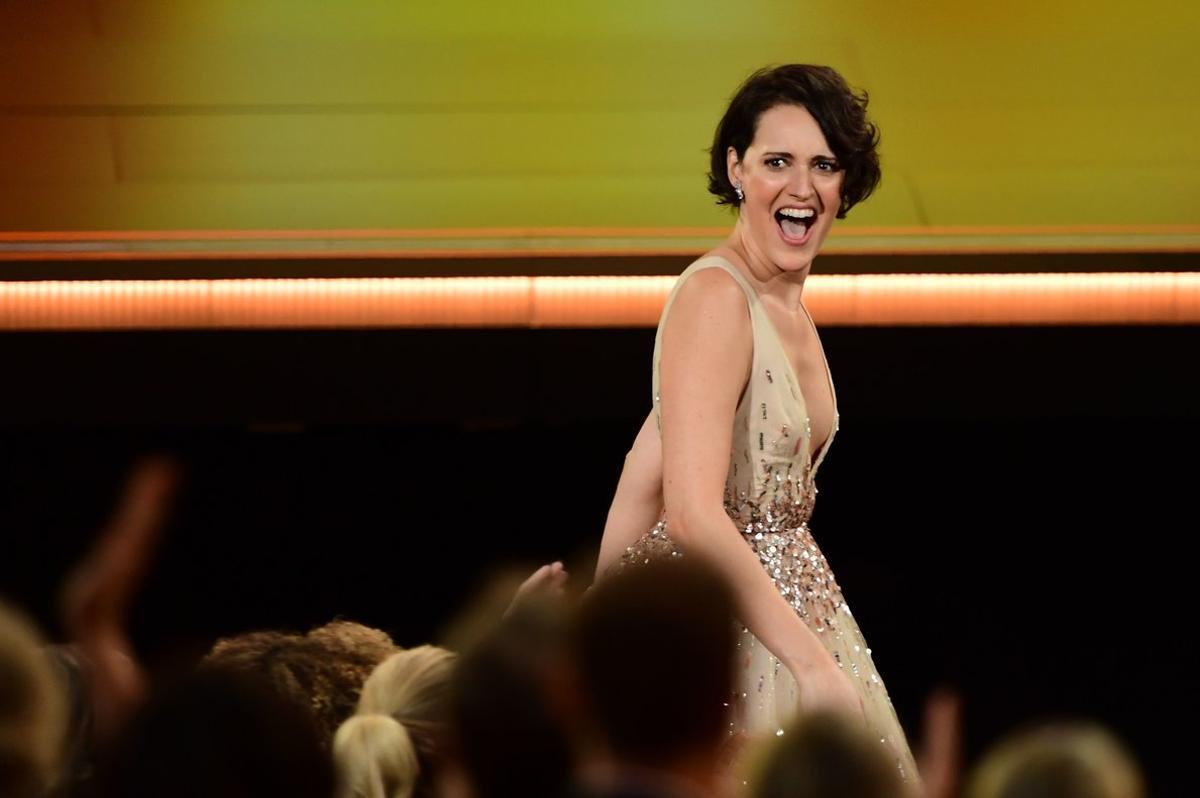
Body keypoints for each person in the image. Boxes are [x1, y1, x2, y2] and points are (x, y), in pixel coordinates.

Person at [594, 64, 917, 782]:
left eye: (824, 165)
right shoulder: (716, 297)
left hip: (788, 618)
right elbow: (690, 515)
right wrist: (813, 666)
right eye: (778, 162)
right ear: (737, 169)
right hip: (725, 636)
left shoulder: (787, 307)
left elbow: (643, 465)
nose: (802, 188)